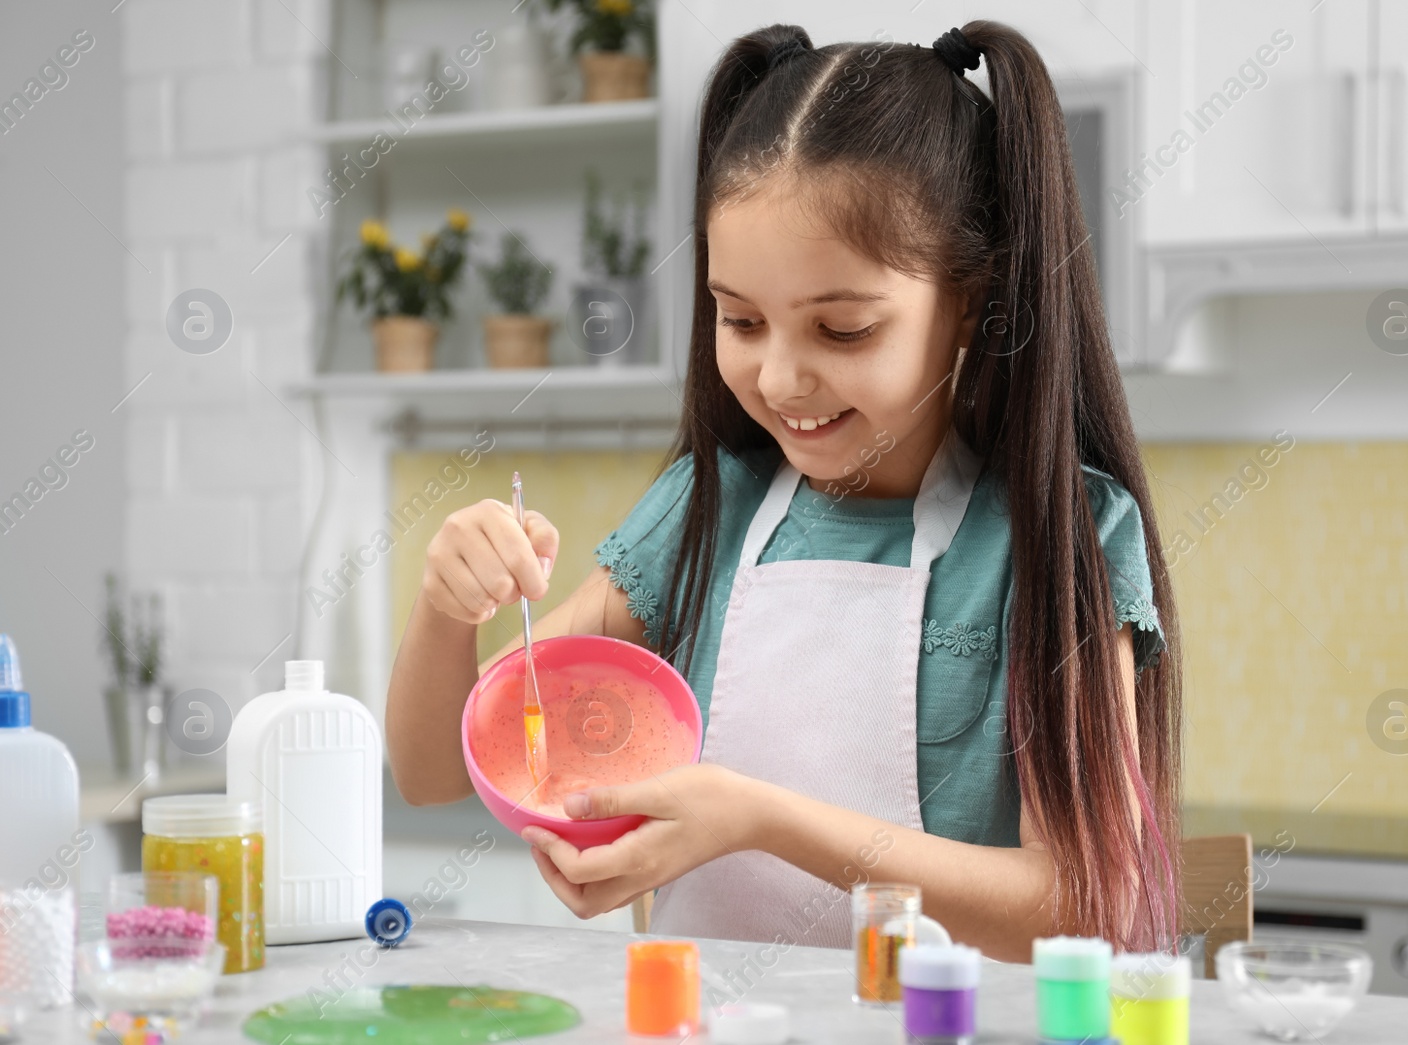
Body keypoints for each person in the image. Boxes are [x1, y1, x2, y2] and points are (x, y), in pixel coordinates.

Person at [386, 20, 1181, 961]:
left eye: (841, 331)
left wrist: (757, 817)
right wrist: (446, 610)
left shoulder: (1060, 536)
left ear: (970, 295)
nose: (780, 379)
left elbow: (1086, 903)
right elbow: (434, 768)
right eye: (742, 320)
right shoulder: (701, 515)